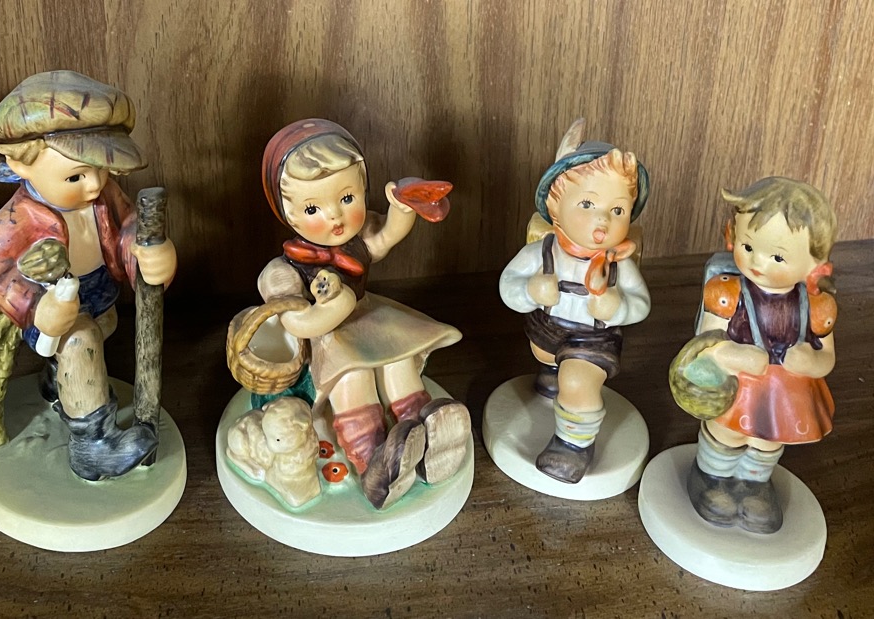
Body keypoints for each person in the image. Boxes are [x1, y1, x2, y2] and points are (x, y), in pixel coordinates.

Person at [257, 119, 469, 510]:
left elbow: (386, 235)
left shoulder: (357, 239)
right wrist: (333, 308)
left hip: (369, 318)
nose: (335, 216)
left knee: (398, 357)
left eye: (347, 198)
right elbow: (296, 322)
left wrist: (401, 207)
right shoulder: (282, 272)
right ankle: (374, 461)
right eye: (312, 208)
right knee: (354, 376)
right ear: (287, 213)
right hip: (325, 342)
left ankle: (424, 430)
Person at [0, 70, 176, 481]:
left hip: (99, 292)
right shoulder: (15, 220)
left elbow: (127, 226)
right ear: (19, 164)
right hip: (53, 307)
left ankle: (60, 383)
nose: (95, 184)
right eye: (75, 176)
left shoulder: (103, 195)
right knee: (79, 342)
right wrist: (38, 308)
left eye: (102, 169)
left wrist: (150, 254)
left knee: (101, 329)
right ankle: (93, 445)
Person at [499, 123, 651, 484]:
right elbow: (508, 285)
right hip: (546, 331)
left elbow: (641, 303)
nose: (603, 220)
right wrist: (531, 290)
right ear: (556, 208)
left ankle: (572, 446)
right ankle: (552, 376)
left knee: (578, 383)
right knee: (550, 363)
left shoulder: (618, 264)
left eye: (617, 210)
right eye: (587, 204)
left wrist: (616, 306)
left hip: (592, 341)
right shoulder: (542, 251)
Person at [687, 177, 837, 534]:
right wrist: (732, 355)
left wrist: (811, 361)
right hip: (739, 385)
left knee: (767, 440)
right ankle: (712, 479)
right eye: (748, 246)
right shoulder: (727, 292)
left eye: (778, 257)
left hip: (783, 392)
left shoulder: (817, 306)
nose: (758, 262)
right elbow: (706, 340)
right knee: (728, 433)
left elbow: (828, 356)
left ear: (816, 264)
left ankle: (754, 485)